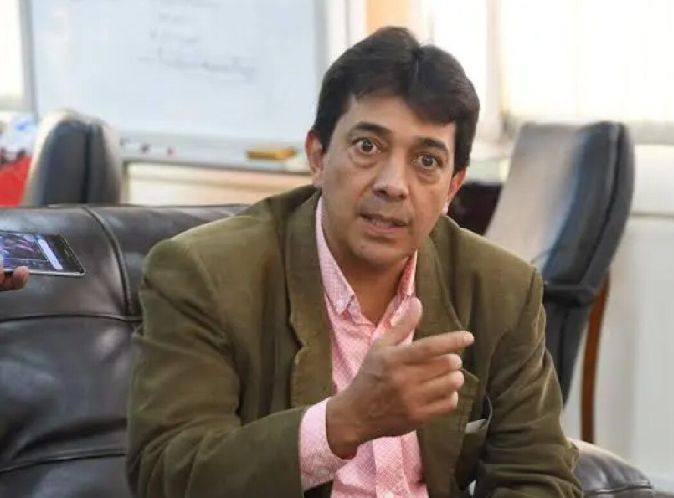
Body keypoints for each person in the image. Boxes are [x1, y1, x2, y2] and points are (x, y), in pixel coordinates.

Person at [127, 27, 581, 497]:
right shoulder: (205, 274)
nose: (393, 184)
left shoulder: (502, 288)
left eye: (427, 161)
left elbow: (537, 475)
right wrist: (343, 423)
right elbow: (167, 475)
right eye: (368, 147)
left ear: (452, 187)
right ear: (318, 156)